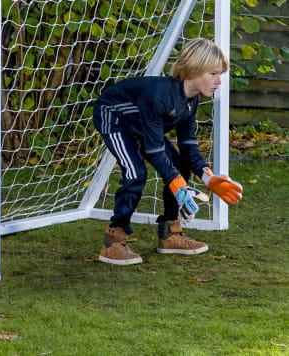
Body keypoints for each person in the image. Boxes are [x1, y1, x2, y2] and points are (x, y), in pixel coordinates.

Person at [92, 38, 243, 265]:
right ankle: (113, 240)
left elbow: (189, 146)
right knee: (135, 173)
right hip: (114, 118)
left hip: (142, 124)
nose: (219, 81)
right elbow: (154, 151)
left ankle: (170, 234)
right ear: (194, 69)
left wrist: (208, 178)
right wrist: (176, 183)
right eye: (213, 74)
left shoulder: (190, 102)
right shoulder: (159, 96)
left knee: (181, 166)